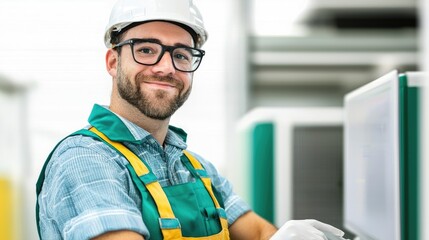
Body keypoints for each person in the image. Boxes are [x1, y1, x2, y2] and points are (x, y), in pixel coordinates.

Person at [36, 0, 347, 239]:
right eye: (146, 50)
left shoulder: (194, 167)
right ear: (113, 61)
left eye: (182, 55)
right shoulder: (85, 159)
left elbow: (257, 233)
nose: (166, 67)